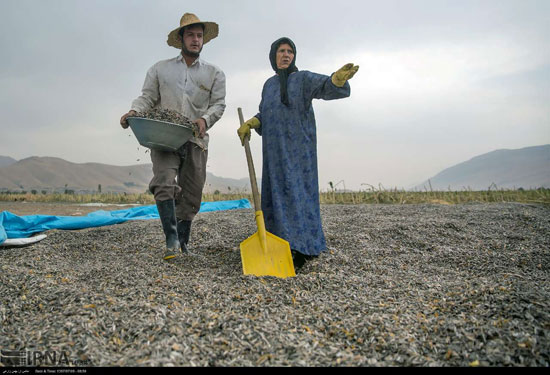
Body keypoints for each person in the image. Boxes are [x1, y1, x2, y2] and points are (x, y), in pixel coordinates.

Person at [237, 37, 358, 270]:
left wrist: (336, 79)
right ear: (273, 56)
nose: (286, 55)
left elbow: (324, 86)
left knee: (297, 193)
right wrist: (252, 122)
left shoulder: (302, 79)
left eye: (290, 51)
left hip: (298, 151)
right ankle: (280, 242)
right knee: (275, 194)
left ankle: (304, 246)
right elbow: (266, 113)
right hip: (273, 153)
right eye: (281, 51)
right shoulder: (268, 85)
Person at [120, 13, 226, 260]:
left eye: (199, 36)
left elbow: (219, 105)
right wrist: (134, 111)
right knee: (164, 183)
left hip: (195, 139)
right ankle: (171, 240)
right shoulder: (161, 69)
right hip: (164, 136)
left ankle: (184, 241)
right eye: (190, 35)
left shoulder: (214, 74)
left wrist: (204, 120)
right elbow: (147, 97)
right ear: (181, 38)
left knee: (192, 193)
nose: (196, 40)